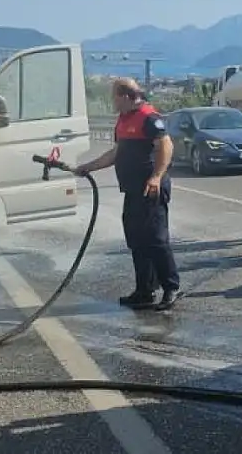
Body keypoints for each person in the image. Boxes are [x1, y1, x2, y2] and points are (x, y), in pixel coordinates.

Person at [74, 78, 181, 310]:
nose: (112, 101)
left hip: (151, 188)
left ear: (125, 96)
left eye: (114, 96)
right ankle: (145, 290)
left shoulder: (148, 117)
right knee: (137, 239)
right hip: (132, 190)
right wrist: (88, 167)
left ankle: (171, 287)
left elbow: (166, 146)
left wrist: (156, 177)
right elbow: (115, 153)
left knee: (156, 239)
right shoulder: (123, 121)